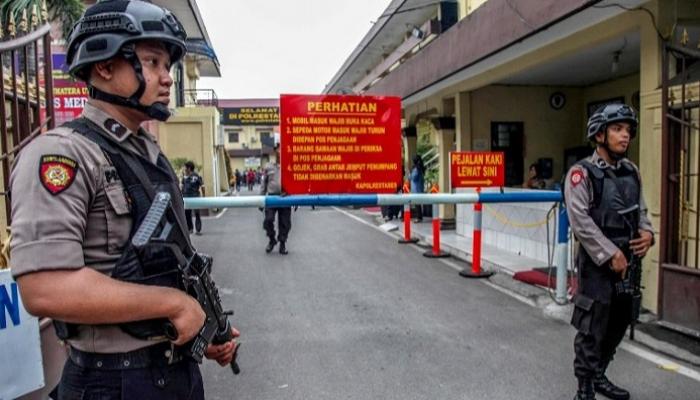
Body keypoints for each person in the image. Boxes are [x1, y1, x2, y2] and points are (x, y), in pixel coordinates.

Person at [8, 2, 238, 399]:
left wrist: (206, 324)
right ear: (103, 66)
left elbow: (167, 257)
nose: (167, 79)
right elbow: (45, 288)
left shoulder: (148, 155)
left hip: (174, 375)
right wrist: (175, 304)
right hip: (113, 382)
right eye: (152, 62)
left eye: (168, 66)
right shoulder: (63, 155)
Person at [564, 103, 654, 400]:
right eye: (617, 129)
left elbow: (640, 210)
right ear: (600, 134)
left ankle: (600, 374)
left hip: (627, 262)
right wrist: (610, 253)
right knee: (593, 325)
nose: (624, 136)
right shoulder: (581, 174)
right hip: (597, 263)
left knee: (620, 319)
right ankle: (585, 388)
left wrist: (647, 233)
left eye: (628, 130)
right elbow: (580, 221)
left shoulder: (631, 171)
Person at [261, 144, 292, 254]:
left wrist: (296, 199)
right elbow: (263, 184)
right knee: (268, 220)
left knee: (285, 223)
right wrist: (260, 200)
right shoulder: (268, 166)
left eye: (282, 150)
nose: (280, 152)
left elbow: (294, 183)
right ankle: (272, 240)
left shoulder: (289, 165)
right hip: (272, 198)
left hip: (285, 198)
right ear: (275, 153)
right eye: (278, 150)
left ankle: (282, 244)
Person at [182, 161, 205, 234]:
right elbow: (202, 186)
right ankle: (194, 229)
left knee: (191, 214)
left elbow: (202, 186)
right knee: (191, 214)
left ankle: (193, 229)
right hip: (190, 197)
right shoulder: (187, 176)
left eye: (185, 167)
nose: (184, 169)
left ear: (189, 168)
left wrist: (204, 196)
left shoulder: (193, 176)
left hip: (192, 197)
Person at [410, 154, 425, 222]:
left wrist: (410, 174)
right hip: (419, 188)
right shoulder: (420, 168)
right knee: (418, 203)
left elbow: (413, 178)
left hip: (416, 189)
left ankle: (419, 217)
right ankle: (419, 217)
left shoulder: (416, 169)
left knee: (417, 204)